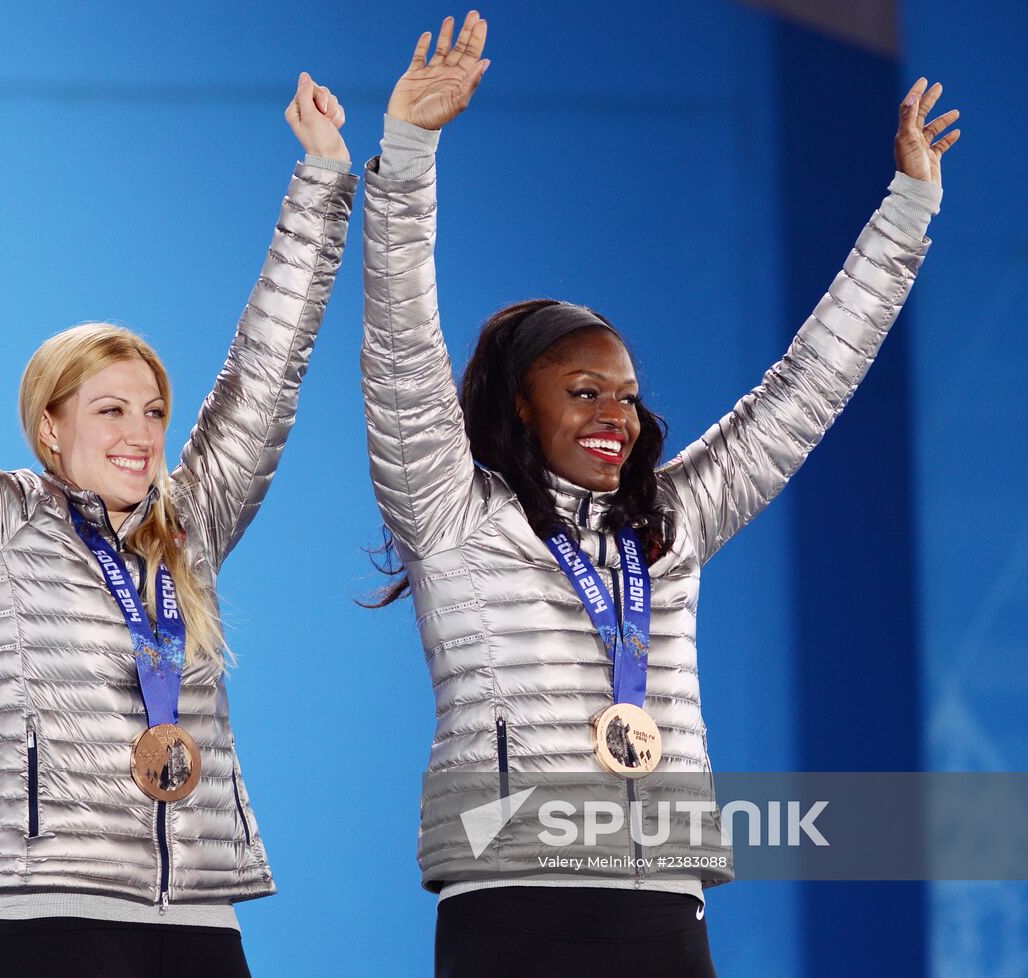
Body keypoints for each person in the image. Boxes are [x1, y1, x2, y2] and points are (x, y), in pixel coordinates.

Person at [360, 11, 958, 976]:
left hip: (664, 911)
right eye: (584, 391)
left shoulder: (669, 527)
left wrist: (906, 212)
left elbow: (808, 388)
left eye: (628, 397)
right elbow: (399, 348)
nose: (615, 416)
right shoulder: (453, 514)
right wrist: (408, 151)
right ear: (520, 403)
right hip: (513, 901)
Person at [0, 73, 357, 977]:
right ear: (50, 426)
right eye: (110, 411)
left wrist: (322, 181)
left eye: (154, 411)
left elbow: (268, 371)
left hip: (202, 927)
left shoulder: (190, 526)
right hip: (45, 924)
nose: (139, 435)